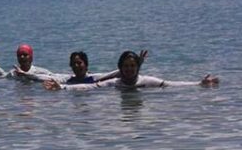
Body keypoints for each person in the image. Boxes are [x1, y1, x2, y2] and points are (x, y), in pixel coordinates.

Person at [44, 51, 218, 90]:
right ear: (120, 68)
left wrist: (198, 83)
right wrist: (63, 88)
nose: (129, 69)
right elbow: (88, 87)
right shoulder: (114, 83)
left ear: (137, 68)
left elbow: (170, 84)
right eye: (126, 66)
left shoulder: (146, 81)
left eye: (132, 66)